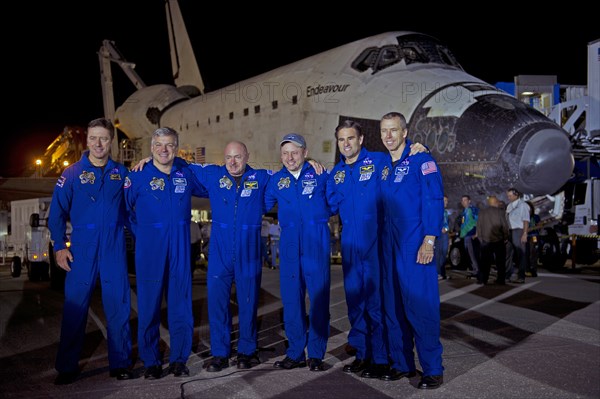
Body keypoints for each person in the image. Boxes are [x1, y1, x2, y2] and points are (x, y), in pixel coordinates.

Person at [48, 118, 133, 385]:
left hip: (113, 249)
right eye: (94, 138)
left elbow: (135, 209)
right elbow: (56, 214)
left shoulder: (122, 173)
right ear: (87, 141)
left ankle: (120, 363)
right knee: (75, 307)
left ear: (111, 142)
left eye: (104, 138)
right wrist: (60, 247)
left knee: (118, 306)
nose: (98, 143)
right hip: (82, 250)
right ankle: (67, 366)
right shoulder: (71, 173)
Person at [124, 127, 207, 379]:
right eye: (159, 145)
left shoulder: (186, 172)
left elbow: (216, 181)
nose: (164, 150)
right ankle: (151, 360)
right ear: (151, 148)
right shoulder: (137, 176)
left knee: (181, 304)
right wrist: (143, 233)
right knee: (149, 306)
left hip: (180, 247)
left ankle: (179, 359)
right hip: (150, 249)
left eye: (169, 145)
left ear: (176, 147)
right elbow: (124, 210)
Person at [185, 141, 272, 372]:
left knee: (248, 303)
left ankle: (246, 351)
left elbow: (290, 174)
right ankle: (220, 353)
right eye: (228, 157)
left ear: (247, 156)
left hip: (248, 253)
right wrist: (150, 159)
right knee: (217, 305)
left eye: (238, 157)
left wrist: (312, 163)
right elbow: (179, 164)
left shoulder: (261, 178)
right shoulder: (213, 174)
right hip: (220, 253)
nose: (232, 162)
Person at [378, 112, 445, 389]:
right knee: (393, 308)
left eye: (394, 130)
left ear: (405, 133)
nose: (389, 136)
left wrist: (429, 240)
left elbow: (434, 199)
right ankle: (402, 364)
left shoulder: (422, 160)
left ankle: (432, 369)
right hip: (387, 245)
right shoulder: (382, 166)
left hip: (414, 244)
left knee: (421, 307)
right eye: (384, 131)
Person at [325, 120, 389, 378]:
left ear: (361, 139)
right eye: (341, 140)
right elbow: (326, 205)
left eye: (351, 138)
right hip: (350, 245)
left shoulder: (378, 161)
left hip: (375, 243)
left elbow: (402, 168)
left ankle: (382, 358)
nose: (346, 144)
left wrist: (419, 148)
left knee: (376, 302)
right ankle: (363, 354)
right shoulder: (336, 174)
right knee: (355, 303)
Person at [264, 133, 333, 372]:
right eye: (285, 153)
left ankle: (315, 353)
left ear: (305, 152)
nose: (289, 157)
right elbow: (262, 202)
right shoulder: (276, 181)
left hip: (316, 241)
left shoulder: (320, 174)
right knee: (292, 301)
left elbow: (334, 202)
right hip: (290, 244)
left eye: (295, 152)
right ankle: (295, 353)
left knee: (319, 301)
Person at [476, 195, 509, 285]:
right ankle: (501, 280)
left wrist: (480, 239)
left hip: (485, 241)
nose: (499, 203)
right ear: (495, 202)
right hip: (498, 240)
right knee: (500, 262)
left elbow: (478, 227)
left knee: (485, 262)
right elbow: (505, 226)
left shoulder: (482, 212)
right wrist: (506, 237)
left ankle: (483, 279)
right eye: (497, 201)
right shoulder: (500, 212)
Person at [506, 188, 530, 284]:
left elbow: (526, 221)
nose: (508, 197)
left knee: (521, 255)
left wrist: (525, 234)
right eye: (508, 195)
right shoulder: (509, 206)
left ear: (516, 195)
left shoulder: (523, 205)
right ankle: (506, 275)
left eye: (510, 195)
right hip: (509, 232)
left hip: (518, 231)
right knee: (508, 254)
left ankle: (521, 277)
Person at [460, 195, 479, 277]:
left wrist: (477, 233)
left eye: (465, 200)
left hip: (471, 235)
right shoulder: (464, 211)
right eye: (462, 200)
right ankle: (474, 269)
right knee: (469, 253)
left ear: (469, 201)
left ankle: (477, 270)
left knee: (473, 253)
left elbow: (478, 221)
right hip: (465, 235)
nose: (463, 202)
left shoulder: (473, 209)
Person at [435, 195, 450, 280]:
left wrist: (446, 229)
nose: (446, 202)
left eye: (447, 201)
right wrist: (439, 229)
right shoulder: (436, 211)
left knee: (444, 254)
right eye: (444, 201)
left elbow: (447, 224)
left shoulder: (446, 212)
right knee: (438, 254)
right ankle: (438, 273)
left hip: (445, 235)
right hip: (438, 235)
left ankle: (443, 273)